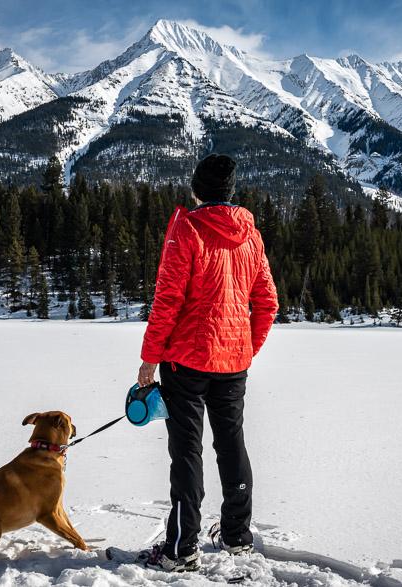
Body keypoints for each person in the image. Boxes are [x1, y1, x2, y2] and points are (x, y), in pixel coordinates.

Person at [136, 153, 279, 572]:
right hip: (232, 363)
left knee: (186, 451)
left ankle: (182, 549)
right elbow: (267, 302)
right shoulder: (249, 235)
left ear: (197, 189)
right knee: (231, 443)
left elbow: (167, 300)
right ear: (230, 192)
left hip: (186, 360)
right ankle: (237, 536)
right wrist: (245, 348)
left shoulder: (188, 228)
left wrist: (149, 358)